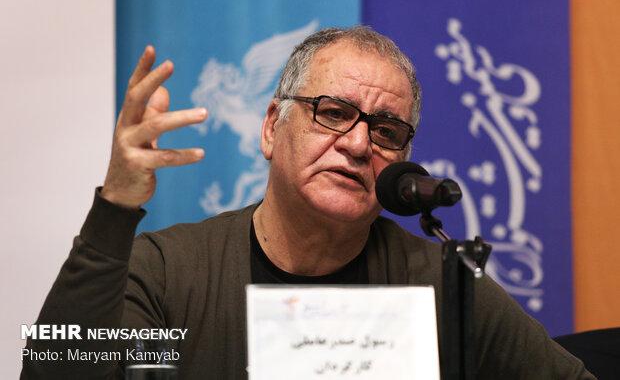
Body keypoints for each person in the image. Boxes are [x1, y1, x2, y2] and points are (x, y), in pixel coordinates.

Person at [22, 27, 595, 379]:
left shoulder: (441, 286)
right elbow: (57, 374)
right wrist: (116, 206)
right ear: (272, 127)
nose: (357, 145)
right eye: (334, 113)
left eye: (386, 131)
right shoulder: (169, 273)